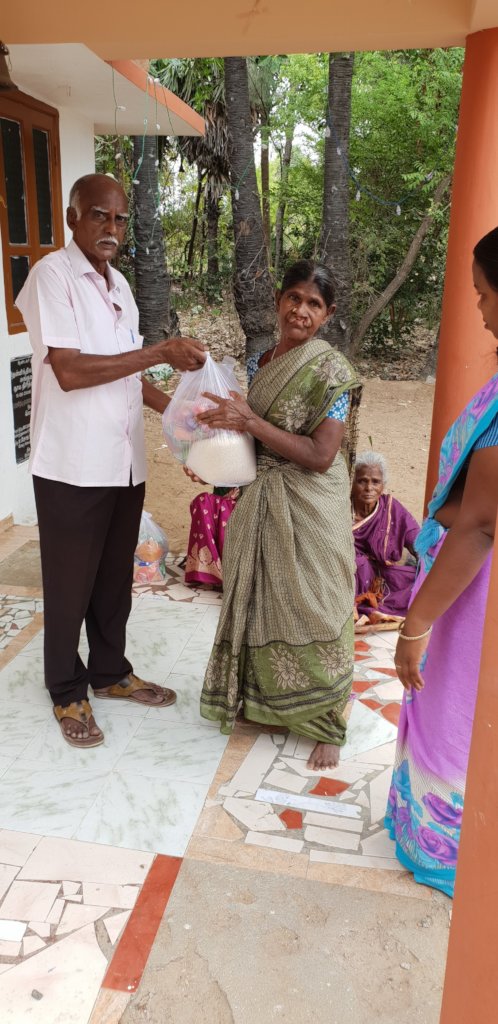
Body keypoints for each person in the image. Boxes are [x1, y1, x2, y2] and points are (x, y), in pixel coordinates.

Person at [16, 173, 206, 748]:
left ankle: (110, 672)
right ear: (73, 217)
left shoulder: (119, 284)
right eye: (100, 216)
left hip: (123, 461)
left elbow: (126, 374)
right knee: (69, 582)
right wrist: (159, 352)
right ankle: (66, 688)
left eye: (121, 219)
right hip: (72, 461)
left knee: (111, 582)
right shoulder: (52, 276)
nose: (112, 229)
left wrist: (182, 418)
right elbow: (70, 371)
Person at [196, 260, 362, 771]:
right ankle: (269, 701)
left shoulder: (332, 371)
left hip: (312, 502)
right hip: (263, 496)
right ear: (277, 299)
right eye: (294, 298)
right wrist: (212, 446)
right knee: (264, 595)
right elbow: (252, 435)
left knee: (317, 600)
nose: (301, 311)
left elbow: (320, 455)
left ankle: (328, 718)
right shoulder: (264, 359)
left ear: (328, 315)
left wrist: (250, 421)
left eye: (314, 304)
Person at [385, 226, 498, 897]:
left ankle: (445, 845)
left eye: (486, 295)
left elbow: (481, 522)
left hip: (471, 592)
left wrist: (417, 622)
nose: (480, 310)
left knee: (450, 711)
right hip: (467, 577)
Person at [352, 451, 419, 624]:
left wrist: (428, 564)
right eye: (362, 481)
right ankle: (361, 608)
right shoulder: (342, 509)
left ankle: (376, 610)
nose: (369, 488)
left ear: (383, 485)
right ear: (352, 483)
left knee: (419, 581)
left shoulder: (390, 508)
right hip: (352, 577)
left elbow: (416, 541)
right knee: (358, 564)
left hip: (385, 579)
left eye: (375, 482)